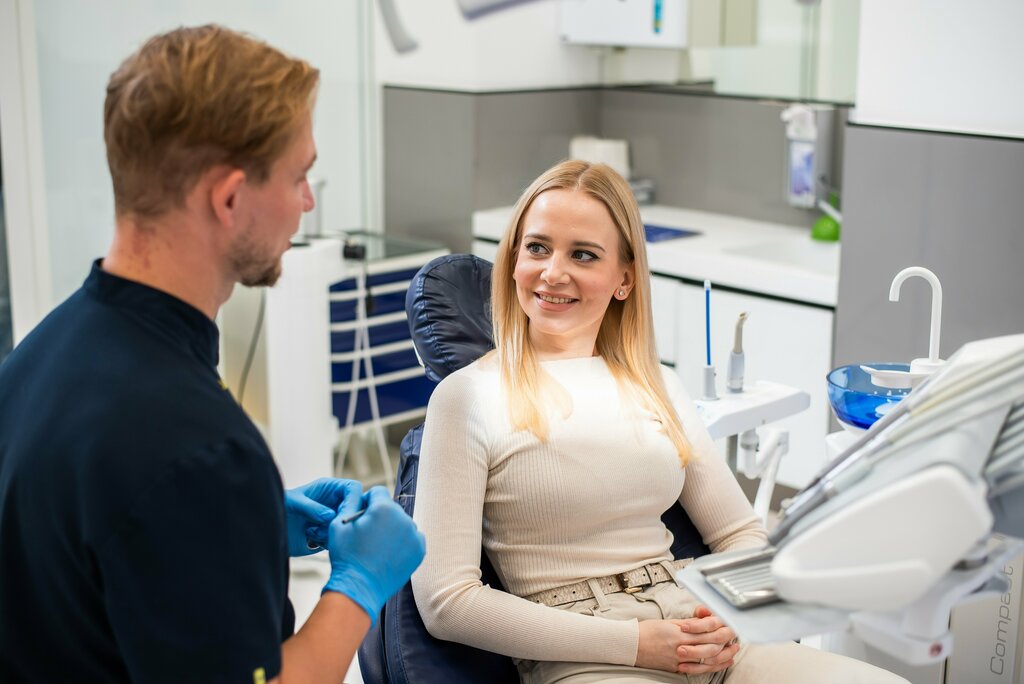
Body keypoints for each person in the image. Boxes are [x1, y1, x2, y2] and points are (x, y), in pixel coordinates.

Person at [0, 25, 424, 683]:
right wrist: (360, 584)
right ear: (229, 198)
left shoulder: (41, 355)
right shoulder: (199, 450)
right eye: (299, 176)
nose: (308, 202)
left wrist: (243, 529)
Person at [410, 160, 907, 683]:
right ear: (513, 259)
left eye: (583, 254)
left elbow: (740, 532)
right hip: (588, 652)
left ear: (624, 279)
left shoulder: (658, 384)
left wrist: (734, 611)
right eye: (537, 247)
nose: (553, 272)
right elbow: (448, 601)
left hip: (702, 622)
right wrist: (637, 645)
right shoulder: (467, 396)